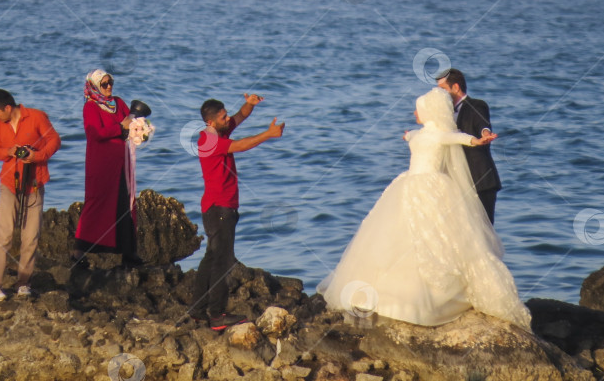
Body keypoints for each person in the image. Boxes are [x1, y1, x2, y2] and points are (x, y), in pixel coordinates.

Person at [317, 88, 530, 330]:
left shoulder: (440, 134)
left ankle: (425, 299)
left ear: (429, 111)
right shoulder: (417, 134)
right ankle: (394, 295)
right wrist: (408, 136)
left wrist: (478, 140)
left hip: (430, 187)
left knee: (432, 238)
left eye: (417, 108)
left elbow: (460, 138)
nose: (414, 112)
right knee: (400, 236)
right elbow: (412, 137)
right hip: (409, 185)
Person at [189, 94, 285, 331]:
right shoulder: (210, 141)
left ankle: (198, 311)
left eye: (226, 113)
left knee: (211, 257)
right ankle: (217, 316)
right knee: (223, 261)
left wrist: (250, 104)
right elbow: (241, 145)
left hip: (216, 208)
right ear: (211, 122)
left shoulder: (218, 131)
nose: (228, 118)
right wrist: (268, 134)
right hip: (220, 208)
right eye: (223, 116)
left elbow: (241, 116)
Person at [0, 89, 61, 301]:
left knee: (30, 236)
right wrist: (8, 151)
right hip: (9, 183)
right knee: (4, 234)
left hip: (34, 184)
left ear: (8, 108)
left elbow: (54, 140)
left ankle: (24, 283)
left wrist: (37, 156)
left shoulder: (36, 117)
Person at [72, 70, 143, 268]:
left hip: (121, 161)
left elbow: (130, 123)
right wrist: (120, 128)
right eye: (104, 84)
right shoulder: (91, 107)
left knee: (125, 204)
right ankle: (78, 250)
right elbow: (94, 133)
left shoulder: (118, 103)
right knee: (96, 203)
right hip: (101, 164)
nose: (109, 86)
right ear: (94, 86)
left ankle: (129, 252)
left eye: (110, 82)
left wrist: (139, 128)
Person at [436, 68, 501, 224]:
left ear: (456, 88)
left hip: (479, 180)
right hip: (457, 183)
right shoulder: (445, 112)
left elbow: (482, 123)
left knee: (484, 231)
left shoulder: (476, 105)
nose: (440, 95)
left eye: (443, 90)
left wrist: (485, 133)